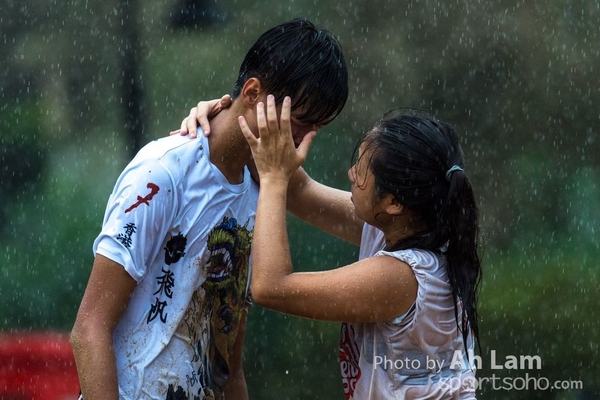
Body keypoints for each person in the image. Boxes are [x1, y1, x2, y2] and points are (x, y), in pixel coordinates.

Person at [70, 18, 348, 400]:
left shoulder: (262, 187)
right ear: (252, 93)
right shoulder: (163, 173)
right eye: (298, 124)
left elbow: (227, 365)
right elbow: (89, 328)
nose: (302, 144)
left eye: (316, 129)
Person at [182, 95, 482, 399]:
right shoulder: (415, 227)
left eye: (362, 171)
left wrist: (273, 178)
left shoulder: (399, 277)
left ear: (393, 203)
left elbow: (271, 287)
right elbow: (301, 192)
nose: (351, 174)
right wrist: (230, 118)